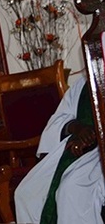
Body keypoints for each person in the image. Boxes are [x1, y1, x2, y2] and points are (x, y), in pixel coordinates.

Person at [15, 75, 105, 223]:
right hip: (73, 148)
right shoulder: (83, 82)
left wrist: (92, 136)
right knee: (25, 193)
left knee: (71, 189)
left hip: (99, 156)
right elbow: (60, 117)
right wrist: (78, 128)